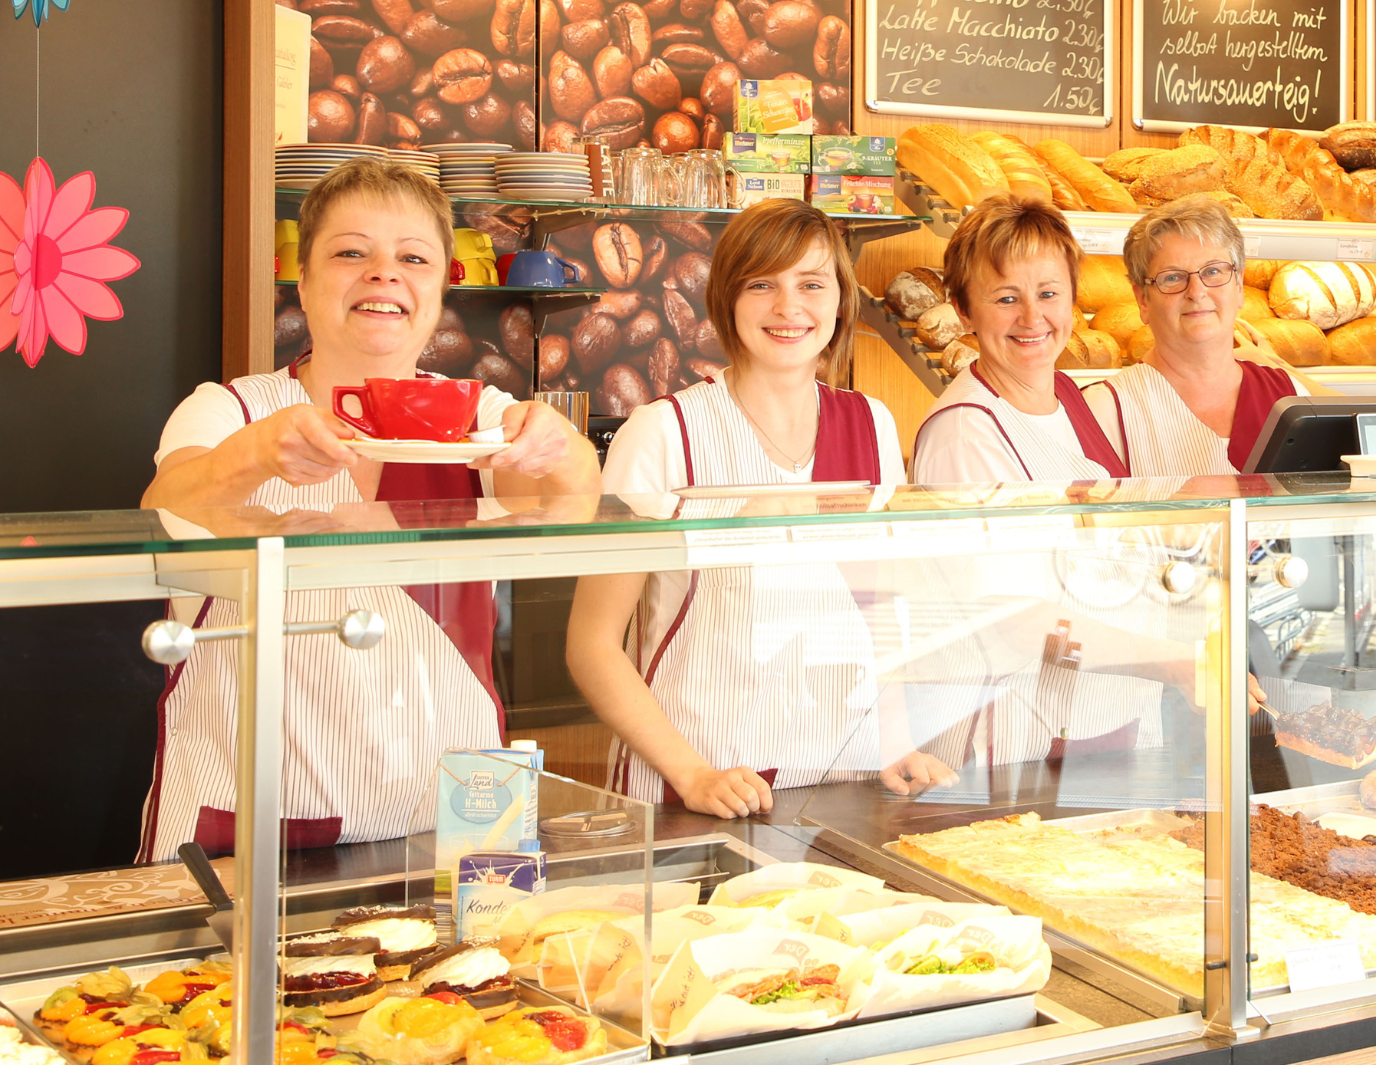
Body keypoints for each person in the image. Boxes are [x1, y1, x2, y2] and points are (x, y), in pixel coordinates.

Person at [138, 157, 599, 861]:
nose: (384, 274)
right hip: (261, 813)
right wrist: (256, 456)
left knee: (476, 976)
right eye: (351, 252)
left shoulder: (480, 417)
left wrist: (559, 447)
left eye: (413, 257)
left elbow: (574, 505)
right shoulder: (226, 409)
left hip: (461, 809)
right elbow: (161, 513)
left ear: (441, 286)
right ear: (305, 277)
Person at [565, 198, 951, 819]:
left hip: (838, 774)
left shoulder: (871, 424)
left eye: (811, 284)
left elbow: (883, 605)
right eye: (762, 284)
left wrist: (895, 738)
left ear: (840, 302)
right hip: (695, 780)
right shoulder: (663, 433)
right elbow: (592, 644)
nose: (788, 307)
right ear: (727, 300)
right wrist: (693, 774)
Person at [1082, 197, 1311, 476]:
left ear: (1239, 285)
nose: (1196, 291)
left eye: (1213, 271)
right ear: (1142, 299)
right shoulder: (1103, 411)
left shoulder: (1291, 399)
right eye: (1172, 278)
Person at [911, 195, 1129, 484]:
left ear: (1073, 297)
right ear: (964, 311)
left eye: (1048, 294)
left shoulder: (1065, 392)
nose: (1032, 318)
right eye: (1007, 299)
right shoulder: (964, 436)